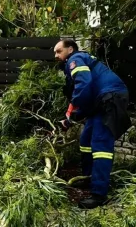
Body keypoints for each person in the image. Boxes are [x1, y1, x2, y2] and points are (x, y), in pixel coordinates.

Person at [53, 39, 130, 209]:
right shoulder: (79, 60)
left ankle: (99, 195)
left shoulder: (75, 59)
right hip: (100, 102)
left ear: (70, 49)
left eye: (59, 51)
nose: (56, 56)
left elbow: (83, 85)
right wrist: (72, 118)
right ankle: (88, 178)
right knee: (86, 140)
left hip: (110, 99)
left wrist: (72, 116)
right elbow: (84, 98)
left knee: (101, 147)